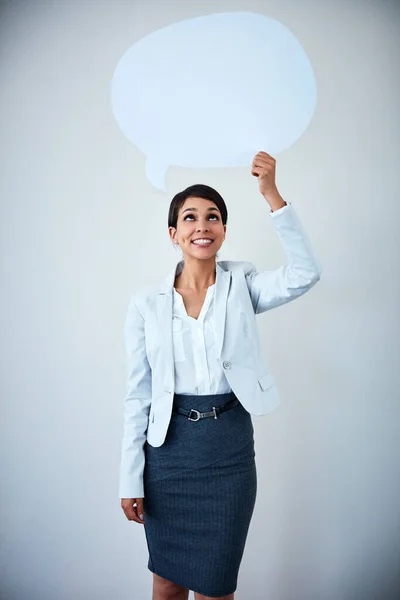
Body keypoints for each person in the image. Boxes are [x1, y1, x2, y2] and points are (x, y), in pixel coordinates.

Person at [119, 151, 321, 600]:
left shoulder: (242, 284)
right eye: (189, 217)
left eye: (213, 217)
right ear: (174, 234)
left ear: (224, 231)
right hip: (167, 456)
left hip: (228, 452)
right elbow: (138, 394)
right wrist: (129, 477)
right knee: (167, 583)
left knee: (216, 588)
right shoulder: (146, 302)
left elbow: (306, 273)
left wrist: (271, 194)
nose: (202, 225)